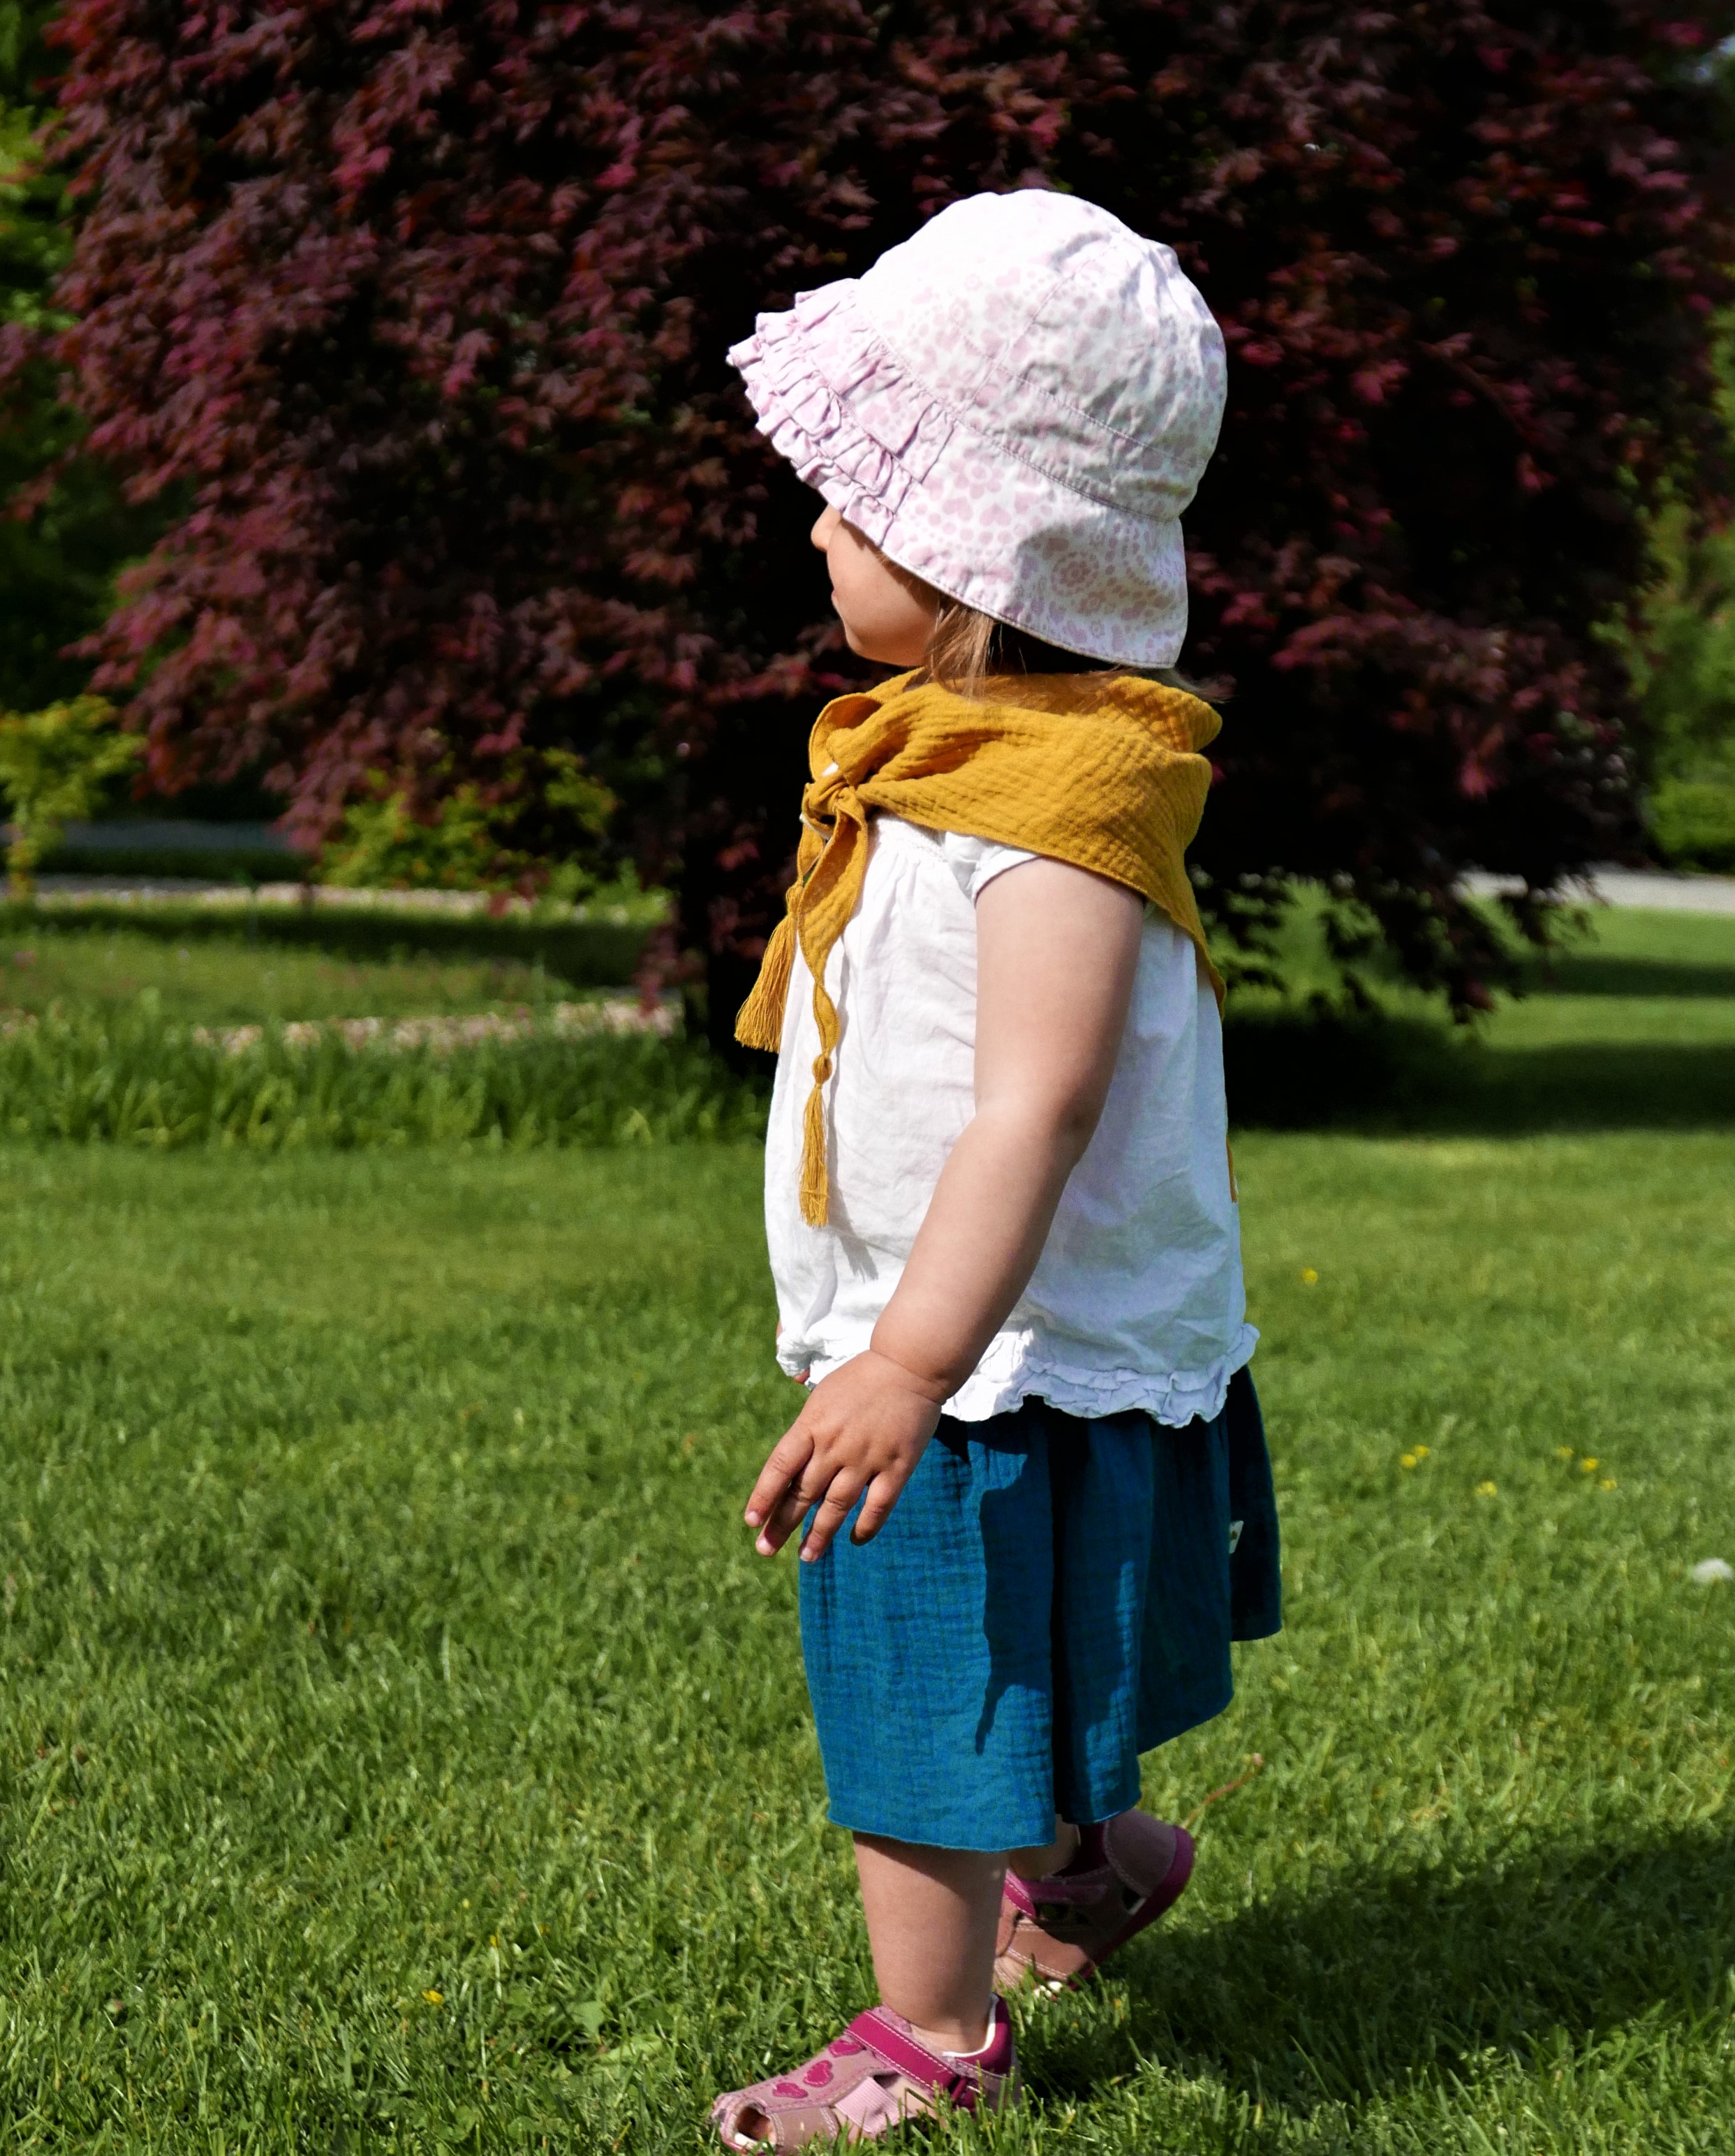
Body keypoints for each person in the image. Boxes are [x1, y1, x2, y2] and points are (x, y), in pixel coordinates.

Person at [709, 189, 1281, 2150]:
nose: (817, 527)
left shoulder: (1057, 815)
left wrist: (906, 1359)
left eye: (856, 502)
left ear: (974, 554)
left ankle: (932, 2036)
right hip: (980, 1335)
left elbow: (1031, 1107)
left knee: (924, 1686)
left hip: (985, 1348)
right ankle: (1094, 1865)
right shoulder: (956, 755)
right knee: (1023, 1643)